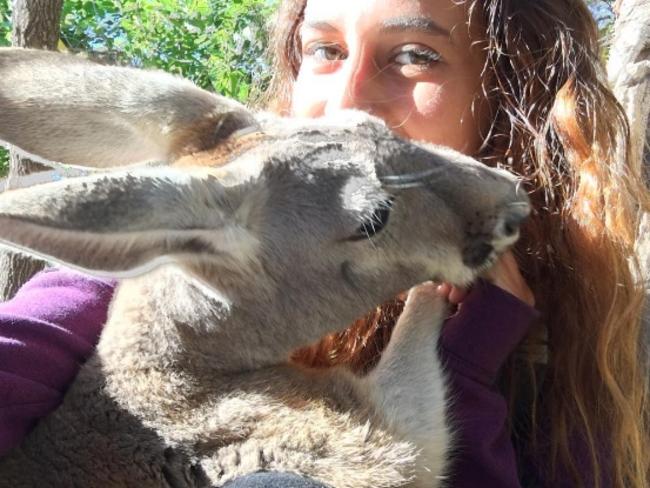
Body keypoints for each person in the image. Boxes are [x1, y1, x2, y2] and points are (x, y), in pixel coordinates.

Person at [0, 0, 648, 487]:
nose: (346, 99)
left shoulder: (580, 347)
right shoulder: (184, 265)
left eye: (415, 55)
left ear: (506, 93)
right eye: (325, 50)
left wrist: (467, 359)